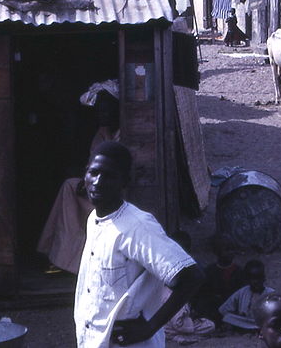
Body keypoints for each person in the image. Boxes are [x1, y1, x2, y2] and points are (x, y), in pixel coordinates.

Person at [74, 141, 204, 348]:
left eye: (109, 176)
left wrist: (150, 327)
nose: (98, 182)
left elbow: (191, 276)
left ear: (125, 182)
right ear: (85, 175)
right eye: (94, 173)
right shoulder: (94, 219)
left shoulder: (137, 226)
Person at [37, 86, 119, 273]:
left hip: (115, 194)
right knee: (69, 186)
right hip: (98, 188)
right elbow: (93, 161)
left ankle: (64, 259)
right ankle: (58, 255)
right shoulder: (102, 132)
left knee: (73, 200)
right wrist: (86, 179)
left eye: (106, 110)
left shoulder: (126, 131)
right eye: (99, 111)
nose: (102, 115)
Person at [162, 231, 215, 344]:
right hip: (174, 321)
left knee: (207, 323)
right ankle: (181, 337)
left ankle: (178, 336)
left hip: (182, 311)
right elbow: (179, 323)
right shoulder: (165, 266)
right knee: (207, 326)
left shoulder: (194, 267)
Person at [193, 234, 246, 325]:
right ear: (217, 252)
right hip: (215, 307)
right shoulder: (210, 271)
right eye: (227, 250)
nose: (230, 252)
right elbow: (204, 293)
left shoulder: (239, 271)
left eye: (232, 249)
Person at [218, 260, 274, 331]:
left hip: (261, 322)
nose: (255, 282)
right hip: (244, 321)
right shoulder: (243, 291)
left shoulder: (270, 293)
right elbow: (225, 308)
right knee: (228, 317)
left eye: (258, 278)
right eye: (253, 279)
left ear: (264, 278)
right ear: (247, 280)